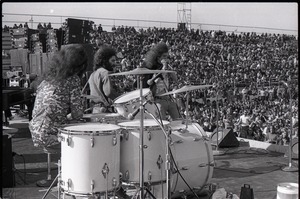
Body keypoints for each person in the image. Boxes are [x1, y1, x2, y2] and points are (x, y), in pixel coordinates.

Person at [29, 44, 88, 148]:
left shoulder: (48, 78)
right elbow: (77, 115)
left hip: (35, 130)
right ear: (80, 66)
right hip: (50, 135)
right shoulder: (73, 80)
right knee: (85, 137)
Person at [142, 42, 180, 121]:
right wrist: (163, 69)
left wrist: (170, 70)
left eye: (167, 57)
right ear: (158, 57)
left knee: (178, 120)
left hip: (168, 99)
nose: (165, 59)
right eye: (164, 56)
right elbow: (152, 81)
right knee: (162, 122)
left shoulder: (167, 67)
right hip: (158, 100)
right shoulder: (152, 68)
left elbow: (176, 79)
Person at [87, 45, 120, 113]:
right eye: (112, 61)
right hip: (104, 110)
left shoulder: (93, 74)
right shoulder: (105, 73)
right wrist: (122, 98)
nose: (114, 63)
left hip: (95, 110)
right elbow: (109, 92)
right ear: (105, 61)